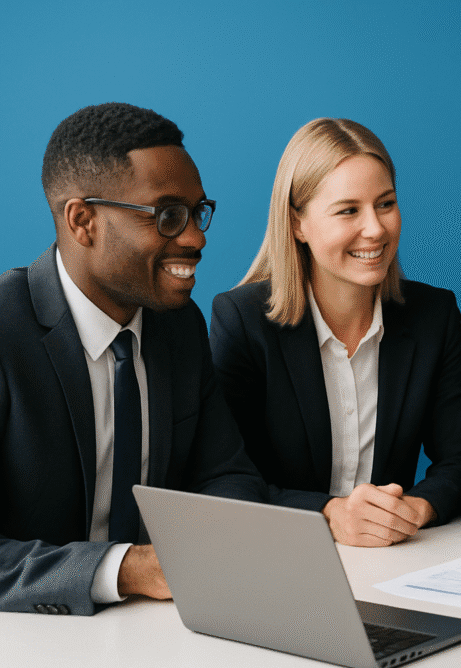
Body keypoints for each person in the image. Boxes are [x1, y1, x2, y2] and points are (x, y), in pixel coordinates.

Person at [0, 103, 331, 616]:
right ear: (83, 221)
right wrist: (127, 569)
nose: (196, 238)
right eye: (168, 216)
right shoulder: (5, 329)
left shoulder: (179, 327)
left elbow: (227, 475)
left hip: (165, 630)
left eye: (197, 213)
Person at [209, 118, 461, 547]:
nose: (375, 229)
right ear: (298, 224)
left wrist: (417, 507)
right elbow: (222, 478)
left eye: (386, 204)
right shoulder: (243, 321)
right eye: (348, 210)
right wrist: (328, 513)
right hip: (281, 556)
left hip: (394, 559)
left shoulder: (433, 315)